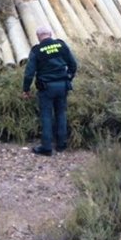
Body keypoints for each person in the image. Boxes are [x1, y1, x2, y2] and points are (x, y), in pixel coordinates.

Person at [22, 26, 77, 156]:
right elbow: (73, 64)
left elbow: (29, 73)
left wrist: (26, 89)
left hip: (46, 87)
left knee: (46, 115)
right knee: (61, 114)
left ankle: (46, 147)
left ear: (38, 37)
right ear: (50, 34)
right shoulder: (61, 45)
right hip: (62, 85)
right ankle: (61, 145)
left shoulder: (37, 50)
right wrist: (69, 77)